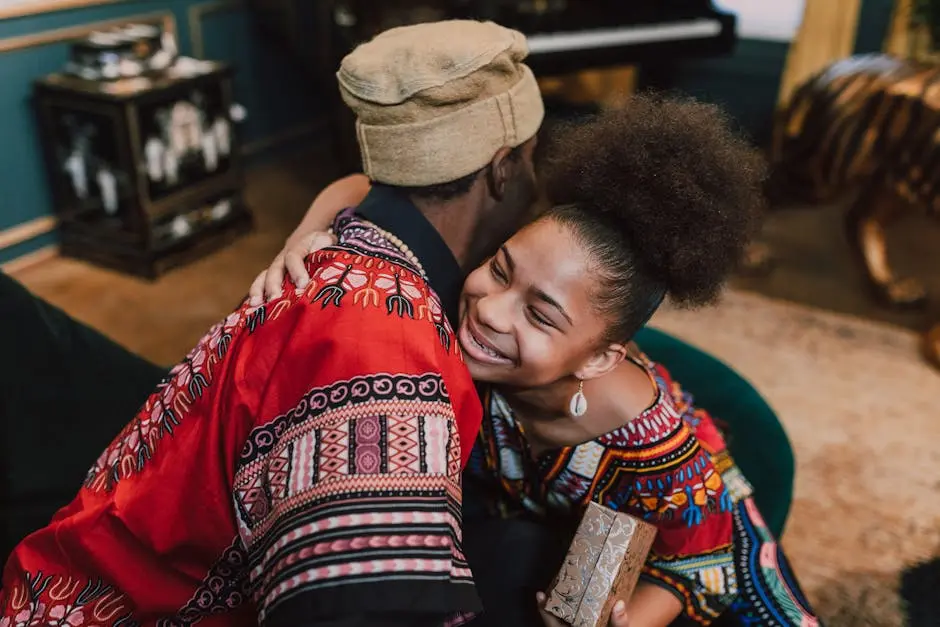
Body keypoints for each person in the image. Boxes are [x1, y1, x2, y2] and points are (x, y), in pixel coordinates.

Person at [1, 20, 549, 627]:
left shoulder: (353, 238)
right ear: (502, 170)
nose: (537, 181)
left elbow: (360, 183)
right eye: (530, 160)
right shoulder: (384, 342)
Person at [253, 97, 820, 626]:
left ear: (599, 359)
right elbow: (368, 184)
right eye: (500, 269)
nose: (493, 311)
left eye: (542, 316)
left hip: (710, 569)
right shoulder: (500, 302)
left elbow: (702, 564)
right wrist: (305, 236)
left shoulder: (655, 449)